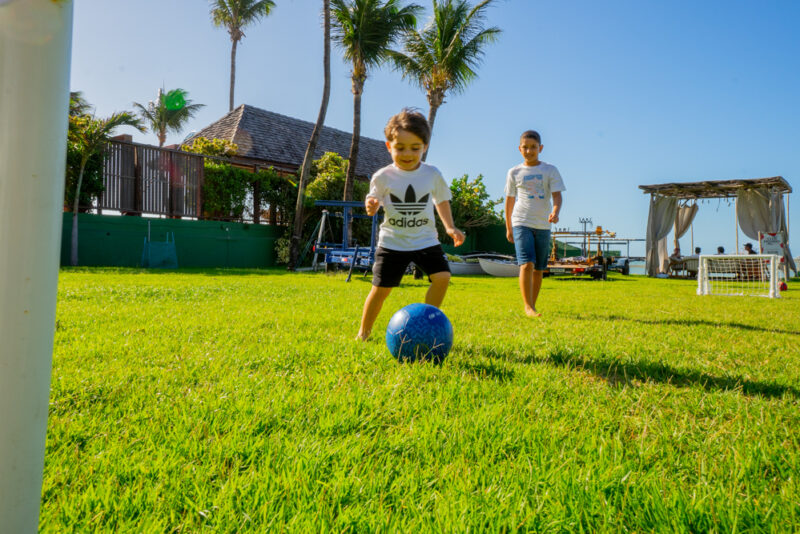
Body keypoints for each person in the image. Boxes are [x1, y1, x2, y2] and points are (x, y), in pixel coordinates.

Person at [356, 109, 465, 340]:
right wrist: (372, 205)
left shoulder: (432, 174)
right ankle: (363, 333)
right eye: (400, 147)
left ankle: (428, 323)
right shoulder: (383, 176)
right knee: (381, 290)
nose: (407, 153)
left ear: (424, 147)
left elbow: (441, 201)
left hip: (425, 239)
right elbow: (372, 198)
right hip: (393, 242)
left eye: (415, 148)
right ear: (389, 146)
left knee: (442, 277)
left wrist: (449, 227)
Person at [504, 130, 565, 317]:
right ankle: (527, 307)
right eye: (525, 147)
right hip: (521, 221)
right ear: (519, 149)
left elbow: (557, 196)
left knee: (539, 268)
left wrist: (555, 212)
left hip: (543, 225)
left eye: (533, 147)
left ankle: (533, 305)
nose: (529, 151)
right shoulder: (514, 172)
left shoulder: (550, 170)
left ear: (540, 148)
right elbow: (509, 201)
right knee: (526, 264)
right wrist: (508, 227)